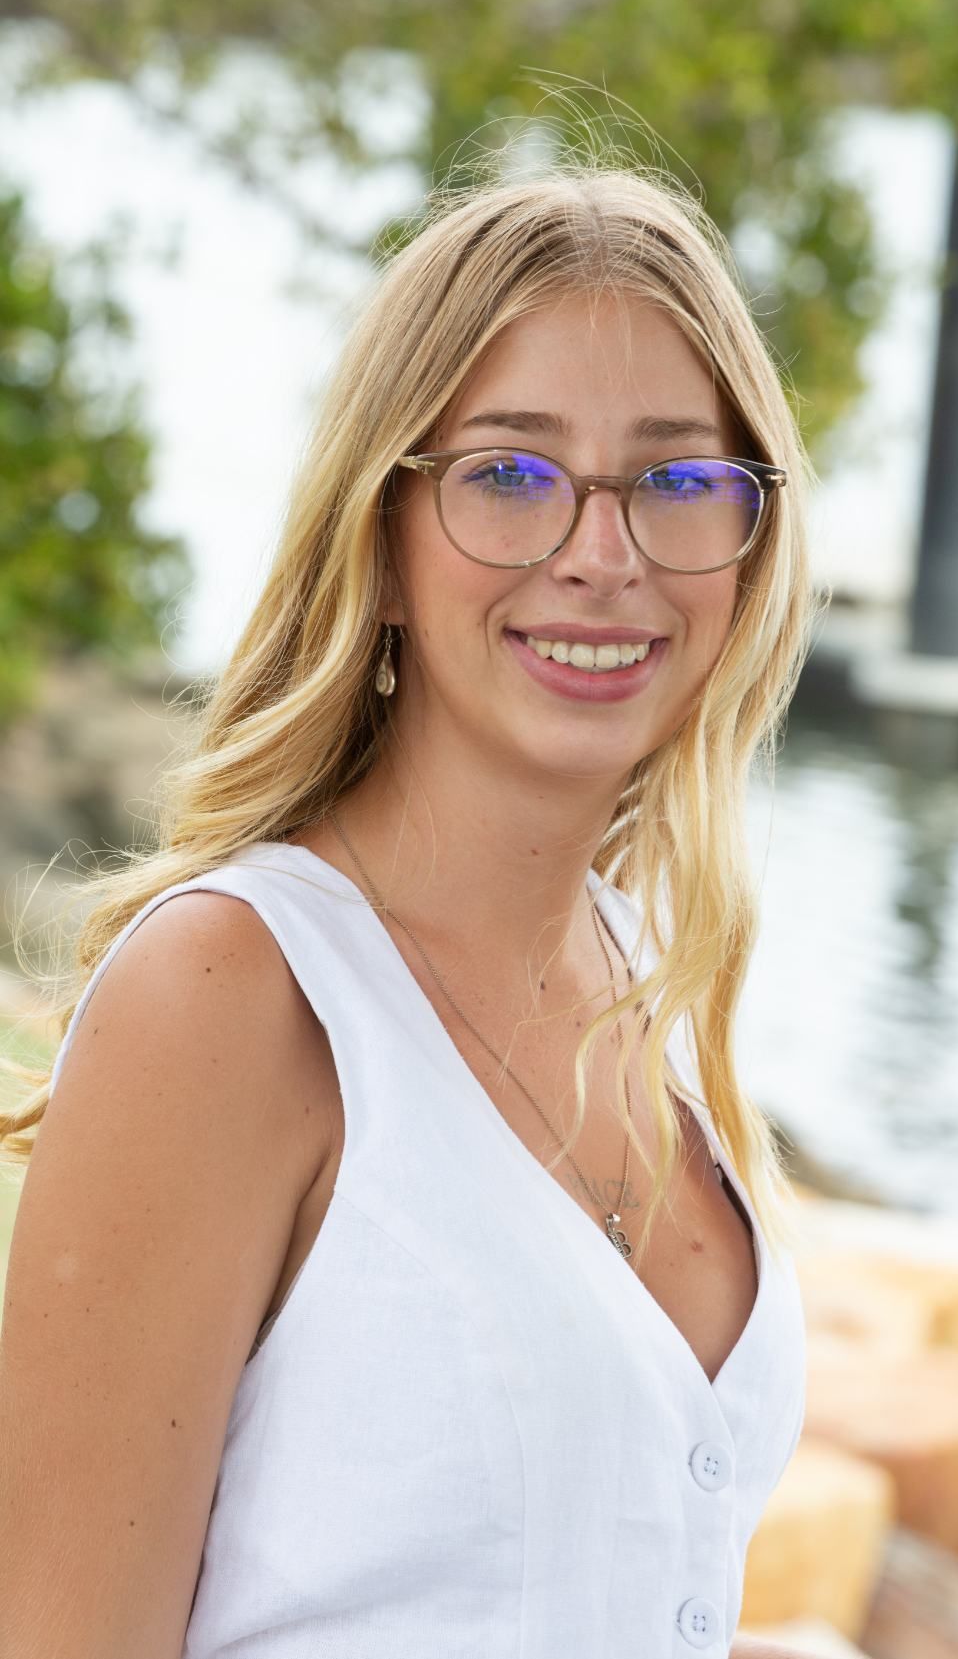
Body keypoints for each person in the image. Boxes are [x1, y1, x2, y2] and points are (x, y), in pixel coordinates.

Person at [0, 152, 822, 1658]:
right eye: (509, 473)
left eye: (678, 479)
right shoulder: (233, 998)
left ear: (751, 538)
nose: (601, 552)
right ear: (379, 538)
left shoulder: (646, 977)